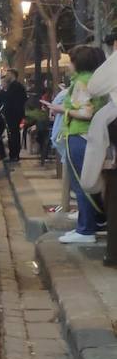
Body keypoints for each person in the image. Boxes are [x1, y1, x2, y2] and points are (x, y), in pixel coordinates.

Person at [56, 46, 108, 244]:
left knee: (81, 183)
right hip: (90, 135)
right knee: (87, 181)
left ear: (79, 63)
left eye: (71, 61)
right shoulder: (95, 79)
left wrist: (63, 110)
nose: (69, 65)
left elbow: (86, 112)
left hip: (78, 135)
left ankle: (86, 230)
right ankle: (87, 224)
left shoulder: (82, 82)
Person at [1, 70, 28, 162]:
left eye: (8, 74)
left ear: (12, 75)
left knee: (14, 134)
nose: (6, 76)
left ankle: (14, 154)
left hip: (14, 114)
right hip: (15, 113)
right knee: (13, 133)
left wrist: (3, 90)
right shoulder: (15, 86)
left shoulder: (15, 86)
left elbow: (9, 98)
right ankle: (13, 154)